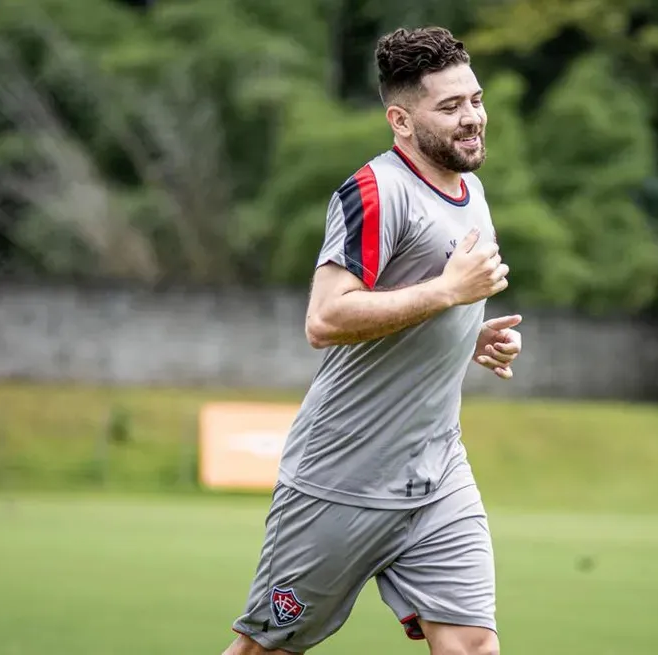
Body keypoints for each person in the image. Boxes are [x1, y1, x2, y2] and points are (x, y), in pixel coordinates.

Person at [222, 26, 521, 655]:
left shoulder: (474, 191)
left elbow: (425, 303)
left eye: (476, 100)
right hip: (342, 480)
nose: (472, 120)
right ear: (400, 120)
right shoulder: (373, 191)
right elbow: (326, 320)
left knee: (471, 644)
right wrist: (447, 297)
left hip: (437, 474)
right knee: (266, 650)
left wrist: (463, 335)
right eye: (450, 107)